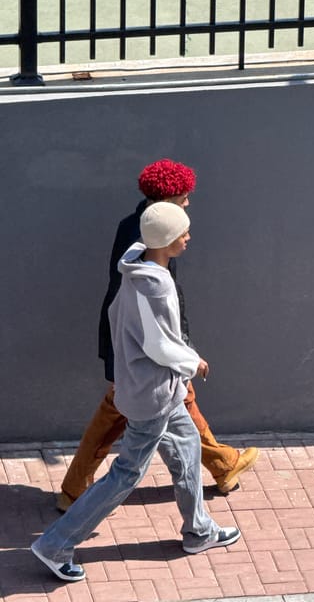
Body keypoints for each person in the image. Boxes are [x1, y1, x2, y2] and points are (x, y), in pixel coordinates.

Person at [32, 203, 241, 582]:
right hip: (153, 396)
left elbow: (125, 325)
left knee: (189, 447)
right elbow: (162, 346)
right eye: (183, 232)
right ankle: (55, 544)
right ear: (165, 240)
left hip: (157, 390)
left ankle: (198, 531)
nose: (189, 237)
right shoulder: (156, 285)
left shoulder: (134, 268)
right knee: (125, 474)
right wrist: (194, 362)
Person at [56, 159, 258, 513]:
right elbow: (153, 306)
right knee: (118, 413)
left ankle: (223, 465)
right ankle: (73, 491)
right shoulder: (151, 240)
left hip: (133, 344)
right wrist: (186, 353)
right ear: (168, 200)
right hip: (139, 349)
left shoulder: (136, 226)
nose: (189, 202)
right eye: (184, 196)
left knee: (180, 401)